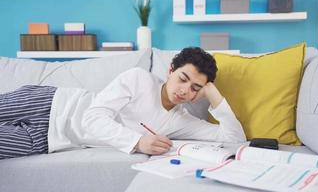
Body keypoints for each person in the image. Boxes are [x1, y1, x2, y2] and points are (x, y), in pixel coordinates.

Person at [0, 47, 246, 159]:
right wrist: (138, 142)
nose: (185, 91)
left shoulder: (181, 120)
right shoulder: (139, 78)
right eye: (183, 79)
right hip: (49, 102)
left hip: (49, 140)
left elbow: (234, 138)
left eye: (195, 88)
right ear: (171, 70)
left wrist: (214, 94)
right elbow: (92, 117)